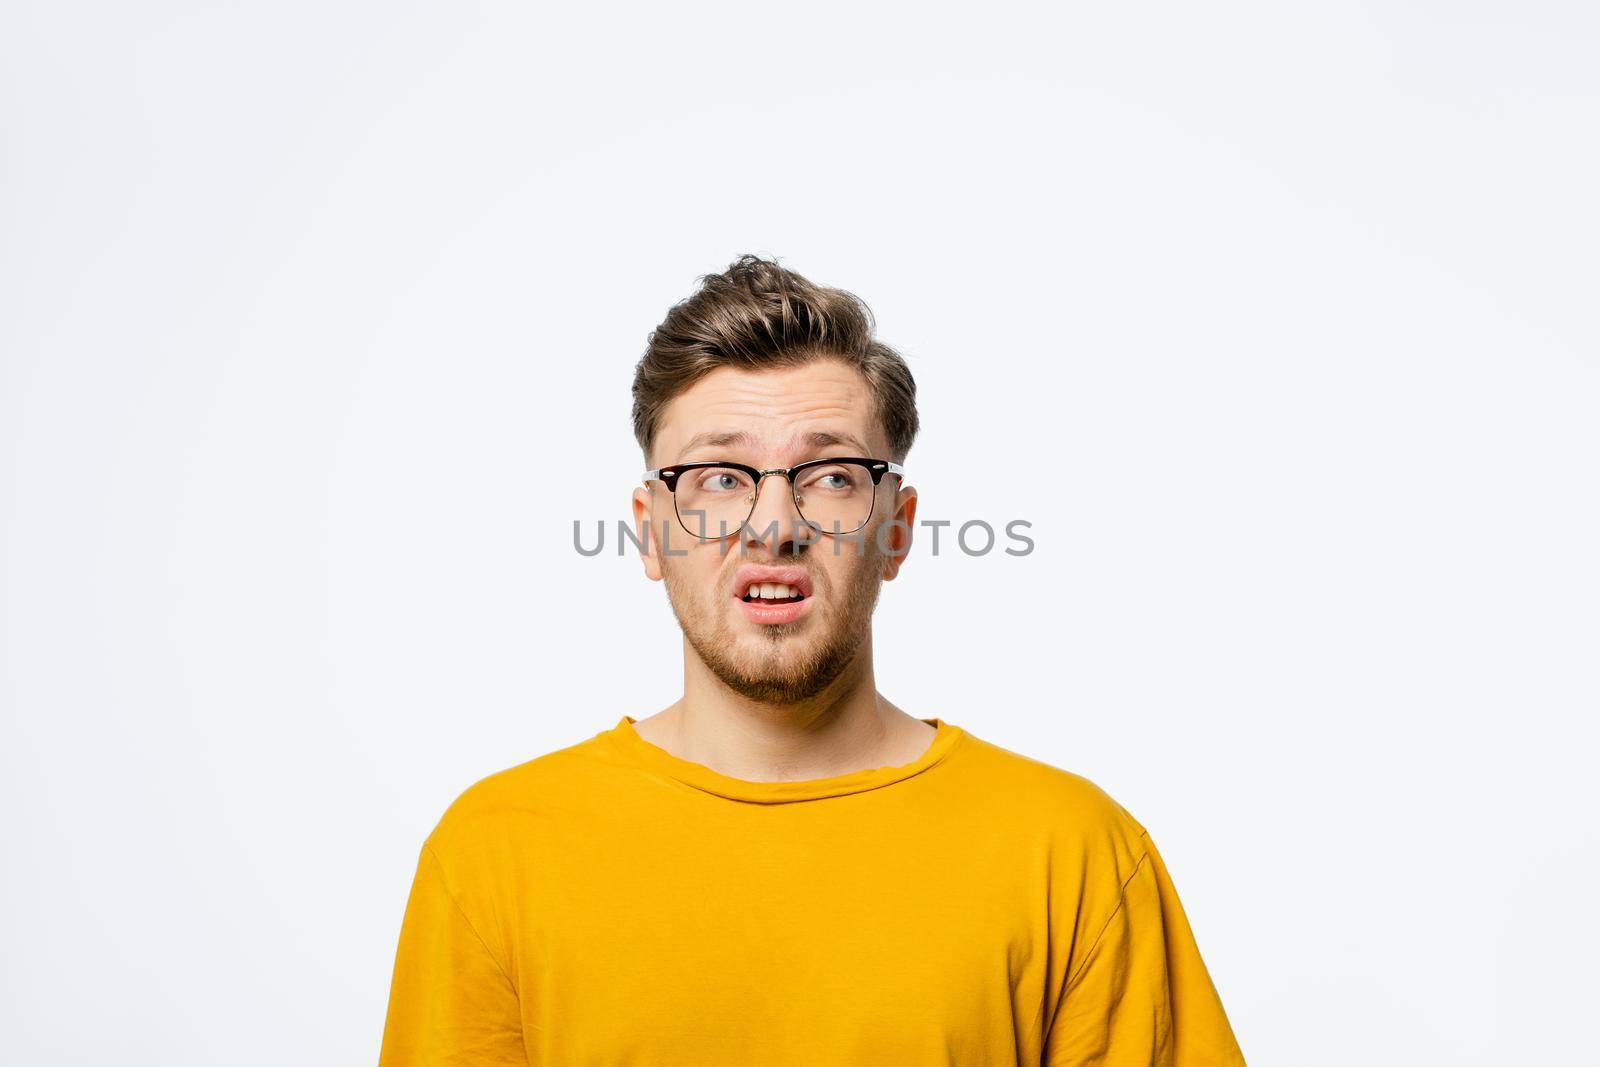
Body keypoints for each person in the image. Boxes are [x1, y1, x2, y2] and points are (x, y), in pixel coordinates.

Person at [378, 254, 1247, 1065]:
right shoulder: (495, 855)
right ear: (650, 529)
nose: (774, 525)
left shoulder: (1074, 854)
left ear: (896, 529)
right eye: (719, 476)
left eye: (831, 474)